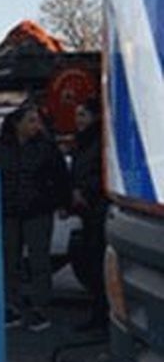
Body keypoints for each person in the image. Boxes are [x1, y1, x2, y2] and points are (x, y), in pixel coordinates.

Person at [0, 105, 70, 332]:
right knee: (9, 261)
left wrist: (62, 203)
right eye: (31, 121)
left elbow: (60, 176)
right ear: (17, 123)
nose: (36, 126)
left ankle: (40, 309)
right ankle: (12, 307)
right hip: (9, 211)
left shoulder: (46, 148)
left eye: (37, 121)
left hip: (38, 211)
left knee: (39, 261)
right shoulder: (0, 147)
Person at [69, 102, 107, 330]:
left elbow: (101, 172)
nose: (78, 119)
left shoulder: (98, 142)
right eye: (77, 115)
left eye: (82, 114)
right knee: (93, 263)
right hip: (89, 210)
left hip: (98, 207)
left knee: (98, 263)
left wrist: (85, 191)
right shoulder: (83, 141)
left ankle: (102, 314)